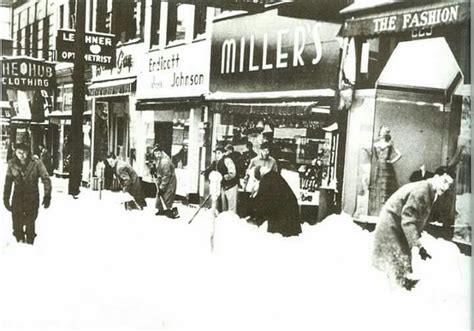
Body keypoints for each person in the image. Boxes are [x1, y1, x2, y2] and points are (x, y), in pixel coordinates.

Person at [372, 166, 455, 290]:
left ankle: (400, 288)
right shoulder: (422, 190)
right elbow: (408, 220)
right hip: (392, 226)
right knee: (398, 263)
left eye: (449, 184)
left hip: (396, 225)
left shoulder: (429, 190)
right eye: (445, 181)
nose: (446, 187)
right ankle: (397, 293)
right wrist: (417, 245)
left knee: (401, 263)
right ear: (436, 177)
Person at [3, 143, 51, 244]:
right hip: (18, 196)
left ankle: (30, 244)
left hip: (32, 196)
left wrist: (47, 196)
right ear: (15, 152)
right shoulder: (12, 164)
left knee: (30, 222)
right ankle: (19, 241)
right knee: (17, 223)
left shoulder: (36, 163)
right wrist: (6, 198)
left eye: (24, 152)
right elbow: (8, 183)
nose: (22, 155)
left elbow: (46, 179)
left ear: (28, 152)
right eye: (19, 152)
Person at [249, 165, 301, 237]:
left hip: (282, 210)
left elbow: (261, 199)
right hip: (289, 206)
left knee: (279, 234)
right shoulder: (274, 175)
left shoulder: (266, 179)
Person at [370, 125, 402, 215]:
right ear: (379, 132)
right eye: (382, 131)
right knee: (377, 188)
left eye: (385, 131)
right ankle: (377, 212)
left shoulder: (390, 143)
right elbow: (373, 156)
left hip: (387, 169)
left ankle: (386, 212)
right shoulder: (375, 144)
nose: (383, 133)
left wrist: (391, 161)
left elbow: (399, 154)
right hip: (379, 167)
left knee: (387, 189)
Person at [202, 145, 238, 213]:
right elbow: (211, 168)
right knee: (224, 207)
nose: (217, 155)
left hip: (231, 185)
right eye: (216, 153)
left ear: (223, 153)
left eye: (219, 153)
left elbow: (232, 173)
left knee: (231, 207)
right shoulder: (216, 162)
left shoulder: (227, 160)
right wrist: (205, 172)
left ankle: (232, 221)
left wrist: (224, 177)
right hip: (223, 186)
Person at [151, 144, 178, 218]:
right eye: (155, 153)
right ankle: (161, 210)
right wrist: (154, 171)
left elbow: (166, 176)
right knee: (160, 194)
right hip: (163, 180)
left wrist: (162, 188)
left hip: (169, 182)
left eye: (158, 153)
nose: (157, 155)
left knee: (166, 196)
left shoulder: (165, 161)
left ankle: (169, 210)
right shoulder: (160, 159)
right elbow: (159, 169)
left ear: (161, 152)